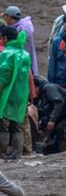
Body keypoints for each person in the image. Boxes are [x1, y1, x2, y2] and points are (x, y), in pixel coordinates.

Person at [0, 26, 31, 160]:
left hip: (7, 95)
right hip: (21, 95)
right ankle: (17, 153)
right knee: (17, 124)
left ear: (5, 38)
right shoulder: (24, 54)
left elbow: (4, 76)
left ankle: (3, 152)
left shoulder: (6, 54)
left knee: (3, 124)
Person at [33, 76, 66, 154]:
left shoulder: (48, 88)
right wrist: (48, 135)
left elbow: (58, 102)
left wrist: (52, 120)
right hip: (63, 115)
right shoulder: (41, 98)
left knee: (62, 130)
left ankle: (65, 154)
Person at [3, 6, 37, 75]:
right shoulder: (24, 25)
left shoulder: (21, 30)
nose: (4, 18)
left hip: (21, 64)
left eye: (5, 16)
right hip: (26, 60)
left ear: (9, 17)